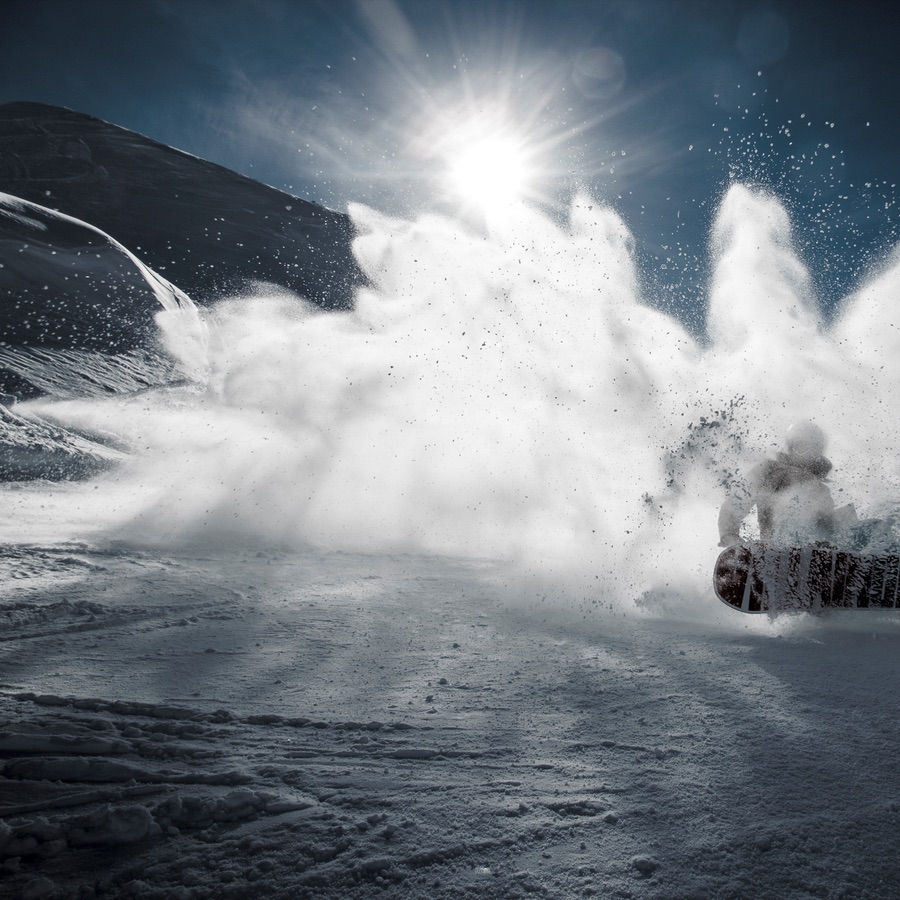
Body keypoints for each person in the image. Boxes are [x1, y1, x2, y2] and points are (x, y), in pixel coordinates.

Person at [718, 422, 855, 548]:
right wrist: (731, 538)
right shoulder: (768, 470)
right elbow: (735, 503)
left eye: (813, 449)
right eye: (802, 447)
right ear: (790, 447)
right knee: (791, 515)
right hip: (777, 545)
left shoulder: (821, 488)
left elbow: (829, 526)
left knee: (858, 523)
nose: (807, 455)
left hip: (814, 548)